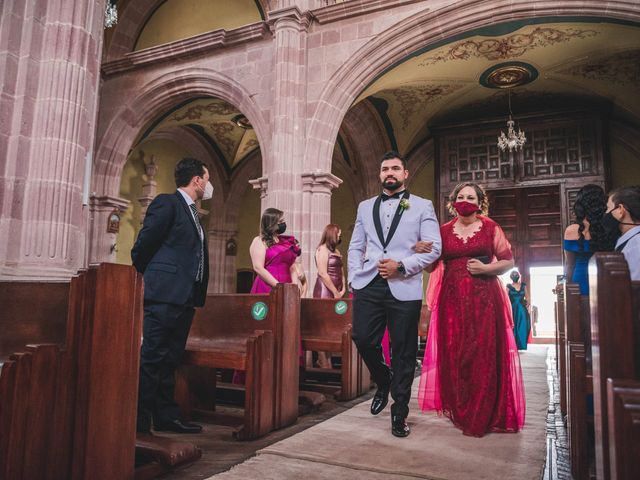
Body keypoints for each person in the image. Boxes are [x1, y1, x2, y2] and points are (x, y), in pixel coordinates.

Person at [417, 182, 525, 437]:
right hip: (451, 301)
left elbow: (509, 260)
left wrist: (487, 269)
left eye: (471, 197)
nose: (465, 200)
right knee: (457, 354)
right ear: (453, 202)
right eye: (461, 197)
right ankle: (461, 407)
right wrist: (421, 252)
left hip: (485, 299)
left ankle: (484, 412)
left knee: (484, 352)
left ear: (480, 202)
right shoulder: (442, 231)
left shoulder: (490, 227)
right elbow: (431, 268)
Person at [348, 150, 442, 438]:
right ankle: (383, 379)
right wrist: (354, 275)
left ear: (405, 174)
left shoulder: (422, 206)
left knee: (403, 351)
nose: (389, 172)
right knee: (361, 337)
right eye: (385, 168)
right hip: (369, 282)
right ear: (380, 174)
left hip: (404, 285)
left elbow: (434, 247)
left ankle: (399, 411)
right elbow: (356, 245)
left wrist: (402, 266)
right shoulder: (365, 207)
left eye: (395, 168)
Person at [131, 157, 212, 434]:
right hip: (165, 294)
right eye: (208, 178)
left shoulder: (193, 212)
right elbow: (143, 246)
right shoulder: (168, 203)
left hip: (185, 296)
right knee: (152, 357)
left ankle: (166, 416)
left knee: (170, 358)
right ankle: (139, 421)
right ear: (197, 180)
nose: (208, 185)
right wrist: (157, 277)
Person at [563, 184, 617, 295]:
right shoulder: (612, 227)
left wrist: (567, 284)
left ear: (580, 206)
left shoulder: (571, 231)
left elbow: (570, 264)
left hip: (580, 280)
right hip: (607, 279)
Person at [313, 224, 346, 368]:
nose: (340, 236)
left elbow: (341, 270)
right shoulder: (322, 250)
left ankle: (329, 360)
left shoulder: (336, 250)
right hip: (325, 291)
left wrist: (343, 286)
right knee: (323, 327)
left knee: (332, 327)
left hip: (336, 291)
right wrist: (334, 291)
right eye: (338, 234)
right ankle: (322, 360)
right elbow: (322, 273)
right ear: (332, 234)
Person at [249, 208, 301, 293]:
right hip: (268, 286)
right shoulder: (259, 241)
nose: (283, 224)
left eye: (283, 221)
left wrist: (294, 286)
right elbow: (258, 267)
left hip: (287, 286)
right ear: (271, 224)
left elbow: (292, 265)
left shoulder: (285, 242)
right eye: (280, 222)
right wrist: (278, 286)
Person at [604, 185, 640, 280]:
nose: (606, 213)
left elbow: (634, 290)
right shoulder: (629, 241)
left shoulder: (636, 245)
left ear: (620, 210)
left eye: (608, 208)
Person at [507, 270, 531, 351]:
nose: (515, 275)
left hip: (521, 310)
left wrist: (527, 304)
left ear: (519, 276)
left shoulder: (523, 286)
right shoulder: (509, 286)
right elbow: (505, 298)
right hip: (512, 309)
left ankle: (521, 345)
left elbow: (527, 297)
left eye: (516, 274)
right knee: (513, 326)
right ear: (511, 277)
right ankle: (513, 344)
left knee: (523, 326)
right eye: (513, 274)